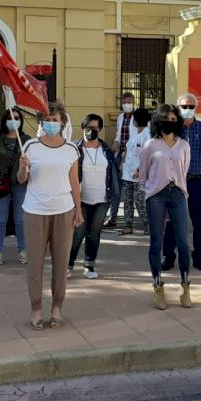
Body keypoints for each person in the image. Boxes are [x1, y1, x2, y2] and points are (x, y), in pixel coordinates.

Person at [19, 103, 82, 329]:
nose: (51, 123)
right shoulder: (31, 146)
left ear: (62, 122)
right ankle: (36, 308)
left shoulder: (71, 149)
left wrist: (78, 210)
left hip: (63, 210)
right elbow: (21, 179)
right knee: (35, 264)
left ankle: (57, 308)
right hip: (35, 211)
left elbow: (74, 182)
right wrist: (23, 167)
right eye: (46, 119)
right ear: (41, 122)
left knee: (61, 263)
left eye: (54, 119)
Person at [140, 104, 193, 309]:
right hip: (156, 196)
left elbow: (184, 170)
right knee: (156, 242)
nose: (170, 122)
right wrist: (149, 192)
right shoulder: (150, 145)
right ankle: (157, 286)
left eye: (173, 119)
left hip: (178, 193)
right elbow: (143, 173)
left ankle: (185, 286)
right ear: (158, 121)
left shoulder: (184, 145)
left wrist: (178, 186)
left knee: (184, 243)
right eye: (166, 119)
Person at [161, 93, 201, 272]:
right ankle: (169, 256)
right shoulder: (173, 129)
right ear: (178, 108)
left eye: (191, 106)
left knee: (199, 220)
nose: (187, 109)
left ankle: (199, 257)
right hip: (176, 182)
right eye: (184, 106)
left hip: (197, 182)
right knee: (172, 221)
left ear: (196, 108)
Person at [68, 113, 118, 279]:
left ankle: (89, 265)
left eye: (96, 128)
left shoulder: (106, 150)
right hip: (80, 199)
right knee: (78, 233)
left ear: (100, 130)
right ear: (83, 128)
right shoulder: (75, 149)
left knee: (94, 233)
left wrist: (115, 194)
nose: (92, 131)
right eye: (89, 128)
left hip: (102, 199)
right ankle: (68, 265)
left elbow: (113, 173)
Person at [0, 108, 31, 266]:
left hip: (20, 183)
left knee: (20, 219)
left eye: (17, 118)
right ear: (5, 120)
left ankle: (23, 251)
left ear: (21, 121)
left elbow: (32, 162)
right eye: (10, 118)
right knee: (1, 219)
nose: (14, 121)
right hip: (2, 184)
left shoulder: (26, 140)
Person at [105, 92, 138, 229]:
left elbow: (138, 138)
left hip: (132, 157)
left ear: (134, 103)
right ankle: (112, 218)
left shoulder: (137, 118)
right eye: (124, 103)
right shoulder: (120, 118)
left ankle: (139, 221)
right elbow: (119, 135)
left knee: (134, 189)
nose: (127, 105)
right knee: (115, 187)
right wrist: (116, 143)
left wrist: (127, 153)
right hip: (120, 155)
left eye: (129, 102)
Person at [118, 107, 150, 235]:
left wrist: (140, 170)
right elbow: (128, 151)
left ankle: (148, 225)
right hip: (127, 173)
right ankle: (128, 225)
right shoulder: (134, 134)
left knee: (139, 201)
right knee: (127, 201)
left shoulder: (147, 135)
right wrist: (123, 163)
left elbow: (147, 156)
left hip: (139, 175)